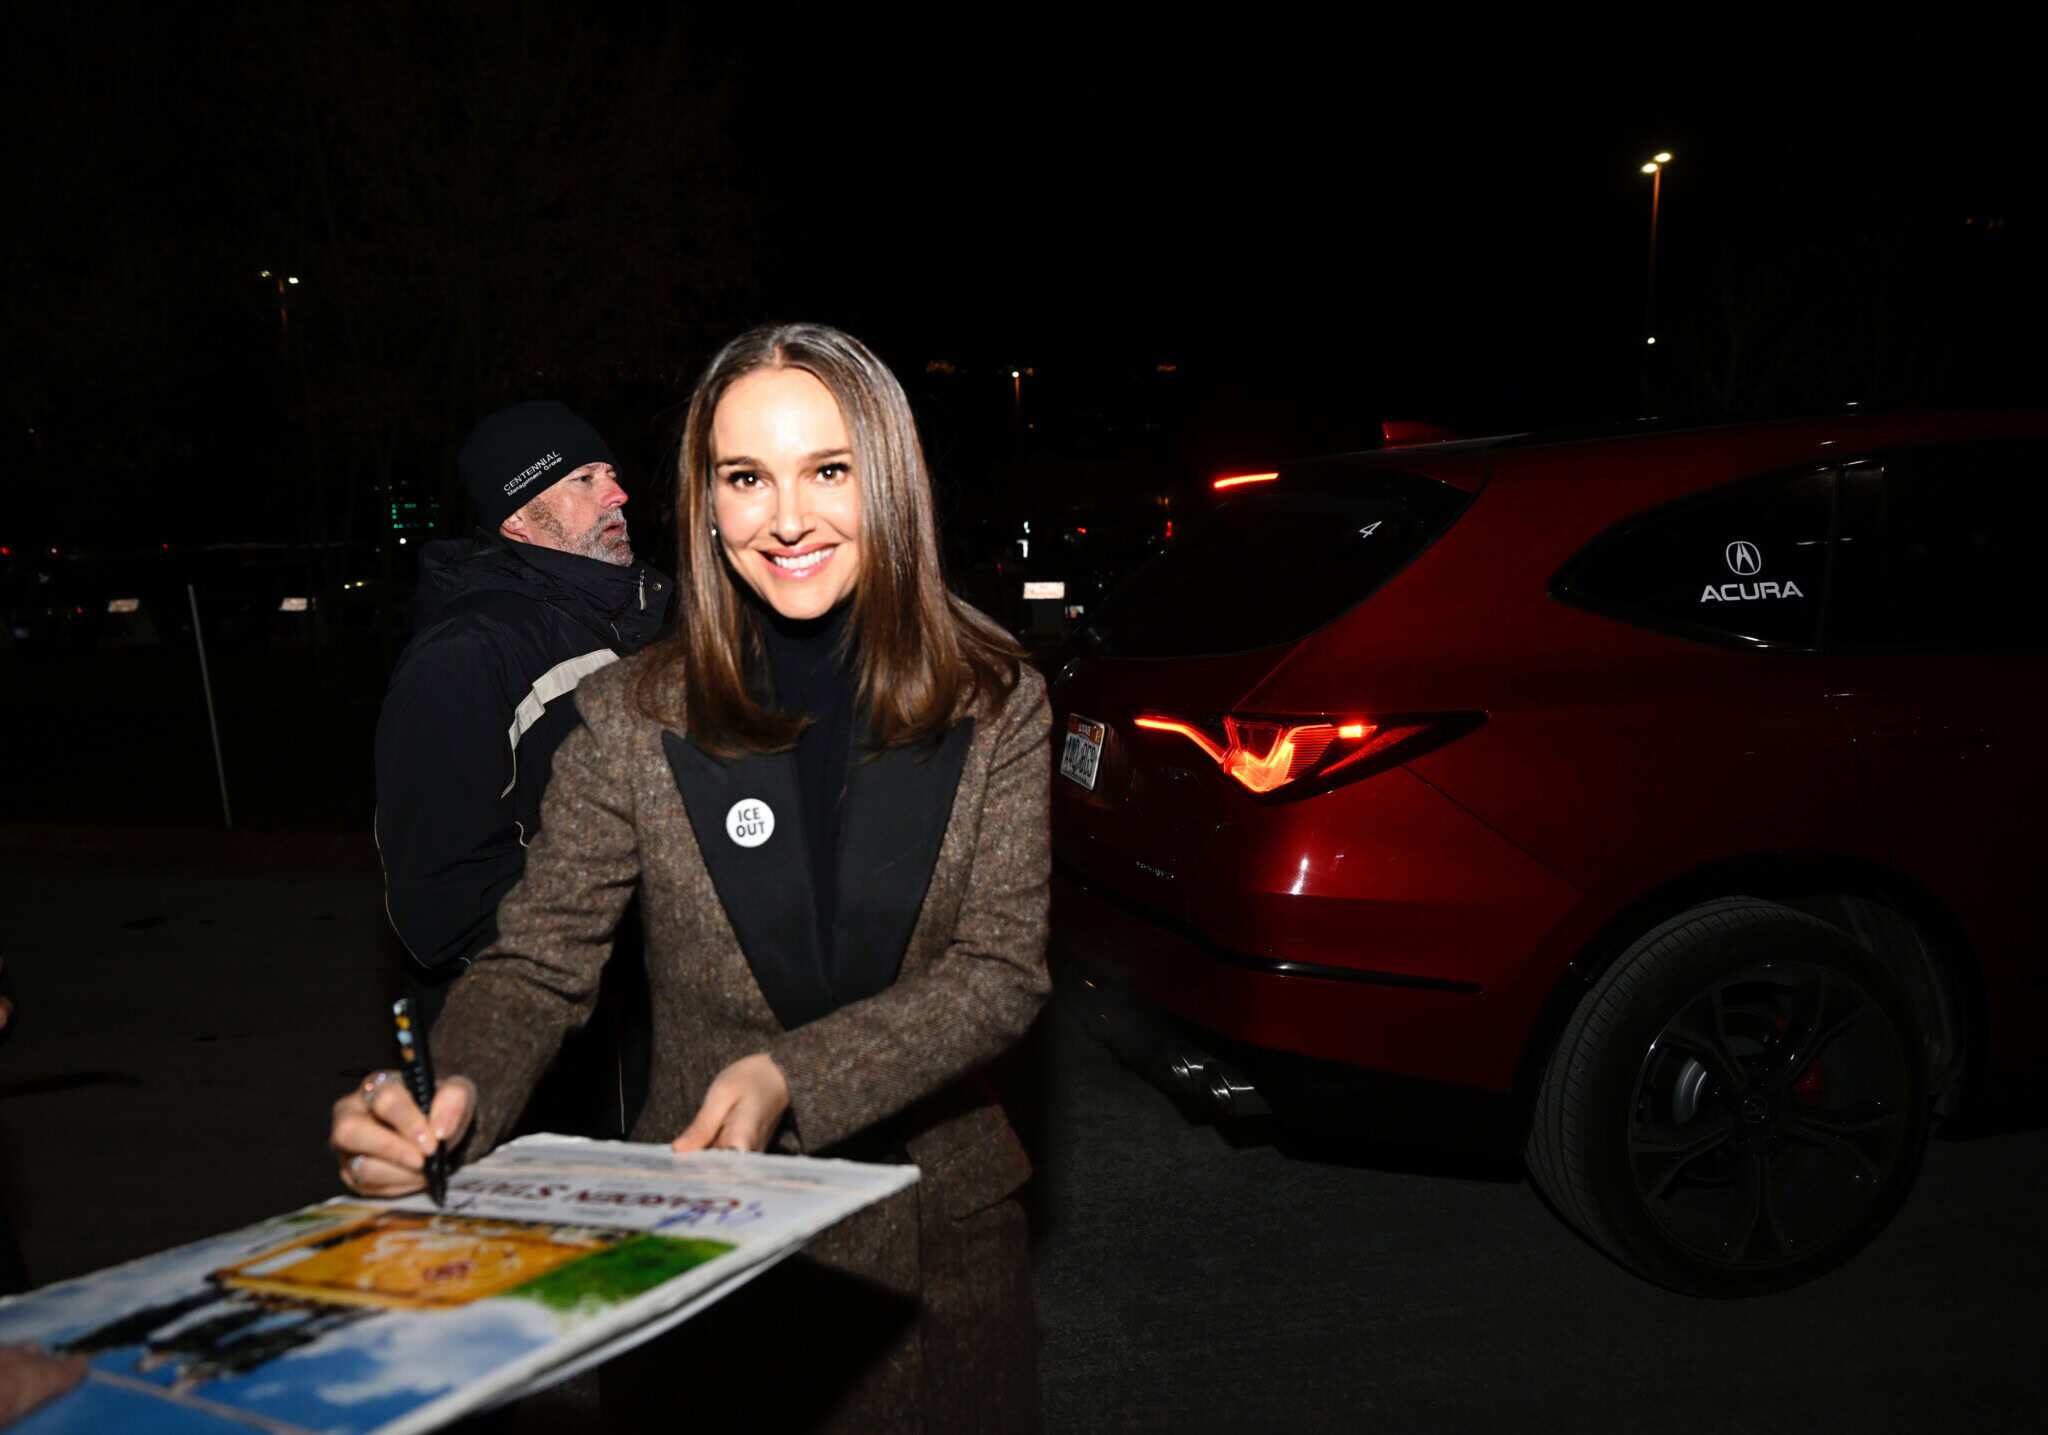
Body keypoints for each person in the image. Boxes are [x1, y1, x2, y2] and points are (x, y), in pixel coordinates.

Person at [331, 325, 1050, 1431]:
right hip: (701, 1227)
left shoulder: (995, 697)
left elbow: (998, 972)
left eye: (829, 470)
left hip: (936, 1233)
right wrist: (453, 1095)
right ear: (707, 501)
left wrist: (792, 1076)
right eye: (746, 478)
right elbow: (535, 963)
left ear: (889, 480)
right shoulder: (630, 714)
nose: (788, 517)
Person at [373, 401, 672, 1136]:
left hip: (629, 1036)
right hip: (544, 1064)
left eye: (612, 474)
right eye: (582, 480)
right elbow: (441, 903)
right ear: (517, 519)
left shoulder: (622, 625)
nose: (617, 494)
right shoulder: (464, 656)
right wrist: (615, 920)